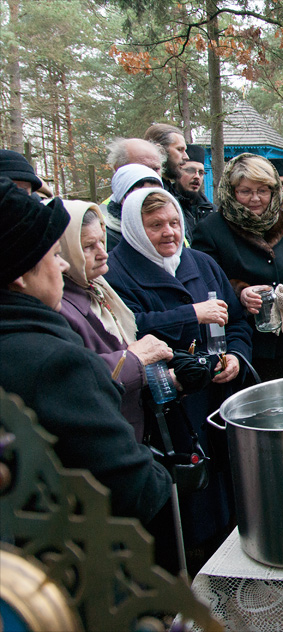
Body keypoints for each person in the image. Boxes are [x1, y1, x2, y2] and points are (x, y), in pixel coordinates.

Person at [0, 180, 175, 567]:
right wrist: (159, 474)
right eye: (52, 254)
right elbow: (131, 488)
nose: (62, 264)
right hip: (68, 570)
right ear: (20, 276)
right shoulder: (53, 363)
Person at [105, 187, 252, 569]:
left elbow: (235, 320)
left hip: (217, 393)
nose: (169, 232)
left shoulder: (201, 263)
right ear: (135, 229)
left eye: (173, 223)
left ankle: (229, 546)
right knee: (187, 488)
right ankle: (190, 561)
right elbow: (131, 326)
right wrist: (191, 313)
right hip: (167, 402)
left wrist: (236, 355)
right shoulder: (118, 272)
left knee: (226, 478)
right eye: (155, 226)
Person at [191, 153, 283, 381]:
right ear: (231, 191)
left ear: (274, 192)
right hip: (241, 352)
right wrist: (240, 293)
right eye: (245, 191)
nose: (255, 198)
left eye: (263, 191)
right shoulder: (211, 230)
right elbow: (204, 287)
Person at [58, 199, 173, 441]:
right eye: (88, 246)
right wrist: (134, 360)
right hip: (99, 436)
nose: (102, 253)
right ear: (64, 249)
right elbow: (75, 382)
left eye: (102, 241)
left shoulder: (98, 288)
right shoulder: (60, 307)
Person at [104, 164, 164, 250]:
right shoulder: (108, 240)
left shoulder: (170, 229)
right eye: (143, 195)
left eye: (158, 194)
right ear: (123, 198)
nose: (152, 200)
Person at [175, 144, 215, 240]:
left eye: (201, 172)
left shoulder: (211, 211)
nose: (197, 176)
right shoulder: (169, 205)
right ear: (177, 172)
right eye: (190, 170)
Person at [143, 123, 188, 195]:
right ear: (160, 151)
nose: (186, 156)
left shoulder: (169, 189)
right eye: (179, 149)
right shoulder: (150, 192)